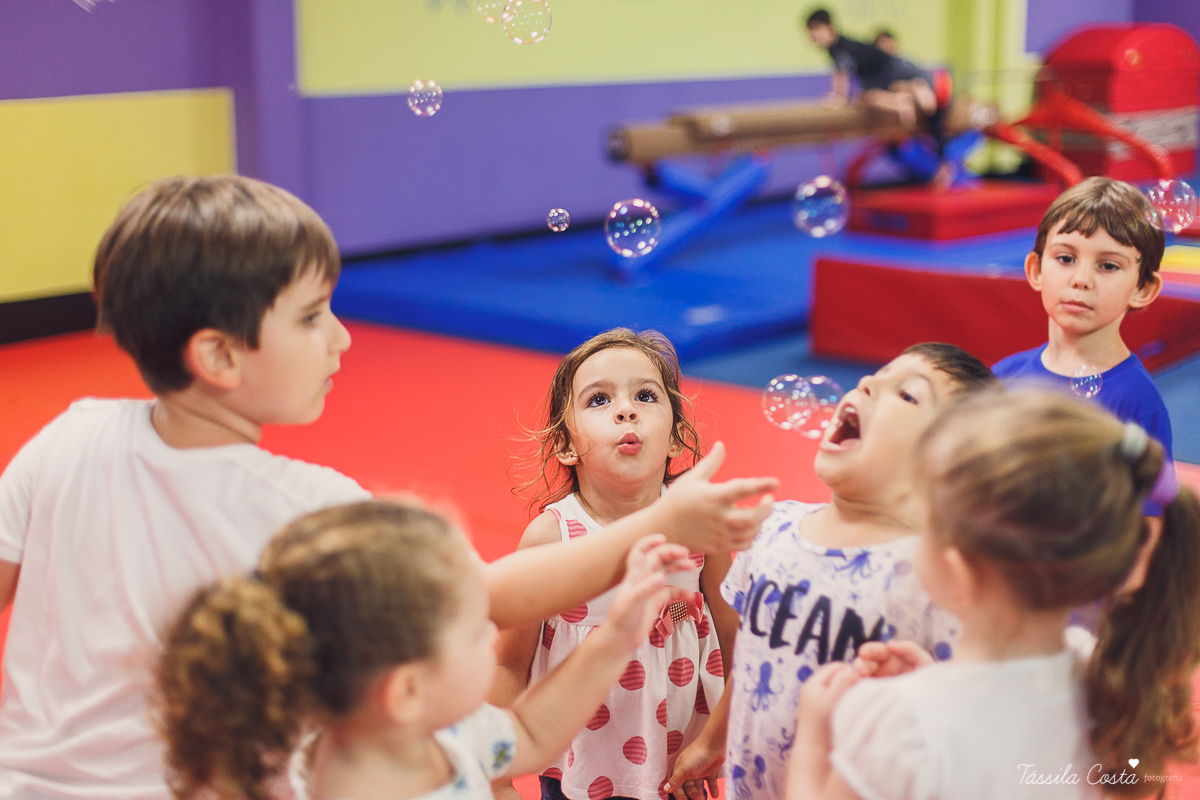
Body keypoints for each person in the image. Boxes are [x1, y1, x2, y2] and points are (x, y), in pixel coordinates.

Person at [0, 176, 779, 799]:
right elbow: (490, 594)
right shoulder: (305, 504)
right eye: (312, 317)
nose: (341, 337)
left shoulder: (69, 434)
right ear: (220, 355)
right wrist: (661, 522)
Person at [788, 389, 1200, 799]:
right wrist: (934, 684)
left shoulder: (897, 724)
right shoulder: (1103, 682)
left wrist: (812, 739)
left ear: (960, 573)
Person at [155, 499, 695, 800]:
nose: (492, 639)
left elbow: (530, 734)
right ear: (408, 690)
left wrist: (617, 637)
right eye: (473, 631)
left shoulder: (447, 737)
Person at [665, 343, 999, 800]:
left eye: (907, 395)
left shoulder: (935, 578)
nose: (867, 384)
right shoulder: (773, 528)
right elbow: (751, 654)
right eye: (875, 376)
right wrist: (711, 741)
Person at [490, 329, 739, 800]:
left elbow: (735, 643)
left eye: (646, 395)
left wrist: (716, 740)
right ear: (566, 446)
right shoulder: (553, 536)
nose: (626, 410)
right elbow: (508, 662)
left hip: (680, 767)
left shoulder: (699, 528)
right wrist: (496, 775)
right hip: (578, 773)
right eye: (599, 400)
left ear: (674, 439)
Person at [991, 177, 1172, 514]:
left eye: (1108, 265)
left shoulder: (1136, 402)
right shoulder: (1002, 376)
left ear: (1143, 288)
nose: (1081, 279)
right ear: (1035, 269)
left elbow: (1148, 525)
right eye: (1065, 258)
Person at [803, 9, 936, 130]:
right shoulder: (838, 48)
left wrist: (838, 99)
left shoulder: (840, 48)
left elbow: (841, 75)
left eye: (817, 29)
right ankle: (906, 95)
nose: (814, 35)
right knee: (866, 98)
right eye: (811, 31)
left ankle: (904, 98)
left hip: (889, 68)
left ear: (830, 28)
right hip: (881, 73)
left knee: (865, 99)